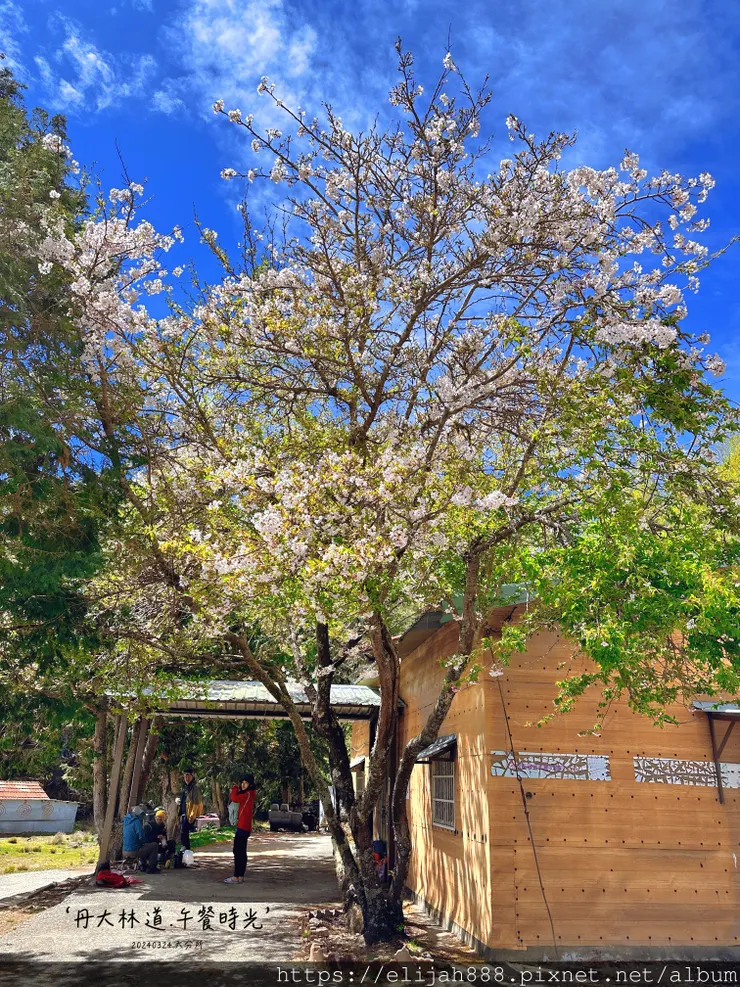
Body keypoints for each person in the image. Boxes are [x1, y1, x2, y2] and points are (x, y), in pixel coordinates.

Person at [224, 774, 256, 884]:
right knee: (241, 852)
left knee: (238, 852)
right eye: (242, 782)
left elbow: (234, 797)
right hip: (244, 827)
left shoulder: (247, 794)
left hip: (243, 827)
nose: (243, 785)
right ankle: (240, 876)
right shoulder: (249, 794)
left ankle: (236, 877)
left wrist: (234, 788)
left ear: (250, 784)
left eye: (245, 783)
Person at [122, 805, 160, 874]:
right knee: (153, 845)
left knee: (143, 846)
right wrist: (144, 842)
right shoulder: (136, 822)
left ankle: (143, 865)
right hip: (133, 851)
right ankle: (152, 867)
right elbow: (141, 837)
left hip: (124, 851)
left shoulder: (126, 821)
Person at [179, 768, 204, 850]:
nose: (187, 778)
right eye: (185, 776)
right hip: (184, 813)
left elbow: (196, 803)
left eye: (188, 776)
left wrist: (192, 815)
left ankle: (187, 851)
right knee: (183, 833)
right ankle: (185, 851)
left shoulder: (194, 788)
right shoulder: (186, 788)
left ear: (192, 777)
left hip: (189, 815)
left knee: (184, 832)